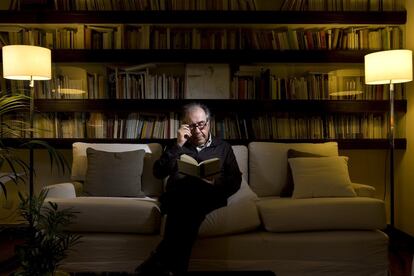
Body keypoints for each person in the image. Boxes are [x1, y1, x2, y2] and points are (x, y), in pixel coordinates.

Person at [135, 102, 242, 276]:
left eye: (201, 124)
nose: (198, 130)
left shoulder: (223, 147)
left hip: (209, 197)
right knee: (187, 200)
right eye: (192, 126)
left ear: (209, 123)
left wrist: (215, 183)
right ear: (184, 127)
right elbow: (158, 172)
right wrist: (178, 146)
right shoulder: (176, 145)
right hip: (178, 197)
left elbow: (235, 180)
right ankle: (170, 268)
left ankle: (158, 261)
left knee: (190, 199)